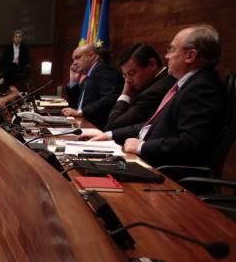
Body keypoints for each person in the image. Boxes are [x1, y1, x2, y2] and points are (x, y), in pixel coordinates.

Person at [88, 24, 225, 167]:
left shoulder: (202, 88)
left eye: (171, 49)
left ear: (190, 56)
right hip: (147, 160)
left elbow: (190, 144)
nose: (166, 56)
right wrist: (109, 135)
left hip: (163, 173)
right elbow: (152, 125)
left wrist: (142, 147)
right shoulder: (188, 84)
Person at [103, 43, 175, 131]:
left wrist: (125, 94)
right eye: (125, 76)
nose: (128, 81)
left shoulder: (154, 92)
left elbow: (112, 126)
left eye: (132, 73)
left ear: (152, 64)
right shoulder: (163, 78)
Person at [60, 42, 124, 129]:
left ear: (91, 56)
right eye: (73, 59)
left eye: (77, 58)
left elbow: (111, 98)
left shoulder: (103, 70)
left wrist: (81, 112)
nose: (74, 63)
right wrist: (73, 81)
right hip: (82, 124)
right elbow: (74, 106)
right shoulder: (89, 75)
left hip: (96, 128)